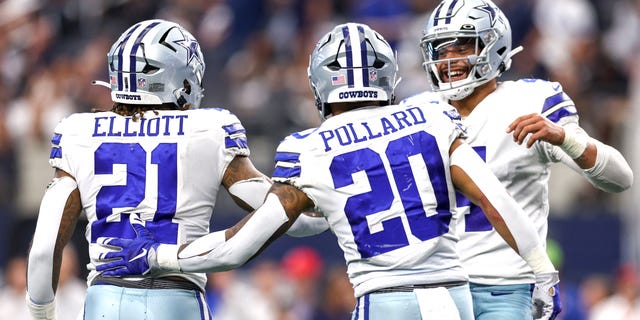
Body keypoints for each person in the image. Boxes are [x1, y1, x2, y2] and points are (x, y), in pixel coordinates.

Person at [96, 22, 562, 320]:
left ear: (320, 83)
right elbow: (493, 196)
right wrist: (542, 273)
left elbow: (239, 246)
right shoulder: (432, 116)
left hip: (385, 302)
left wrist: (160, 258)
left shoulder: (310, 149)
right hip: (455, 297)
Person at [24, 18, 323, 320]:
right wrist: (324, 212)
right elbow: (286, 215)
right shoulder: (209, 129)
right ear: (181, 79)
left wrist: (41, 314)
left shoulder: (79, 132)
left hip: (105, 299)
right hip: (177, 297)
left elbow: (43, 250)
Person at [400, 0, 634, 319]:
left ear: (494, 45)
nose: (449, 59)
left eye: (461, 47)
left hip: (505, 287)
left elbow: (621, 179)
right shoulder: (417, 112)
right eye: (441, 50)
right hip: (434, 288)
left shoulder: (531, 101)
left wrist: (565, 137)